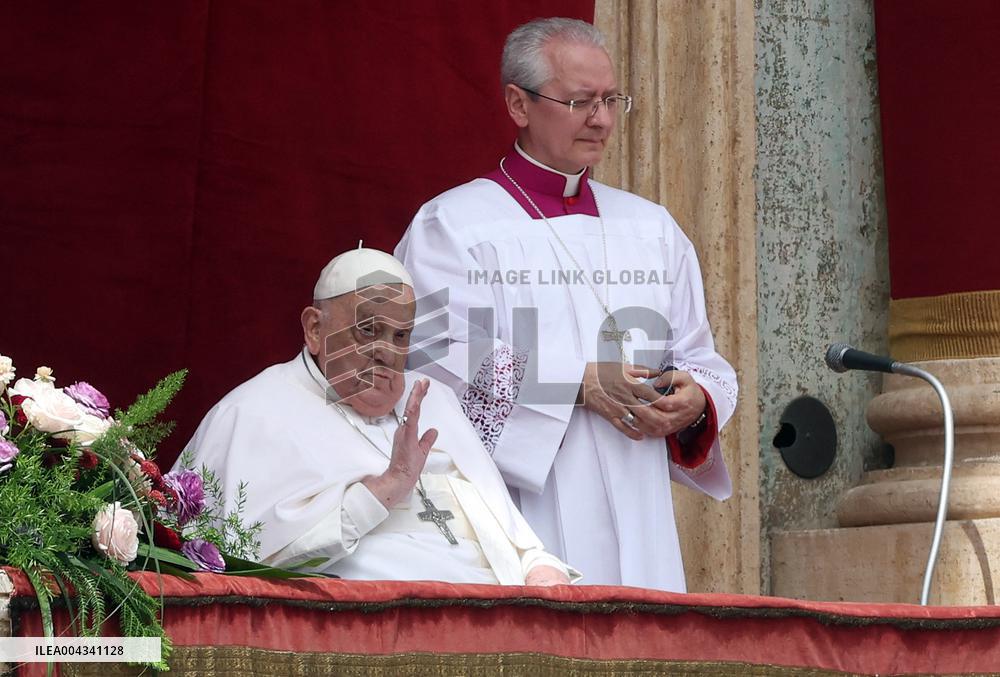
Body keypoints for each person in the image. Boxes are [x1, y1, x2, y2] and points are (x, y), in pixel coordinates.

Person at [395, 17, 738, 591]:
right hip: (524, 507)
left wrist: (695, 401)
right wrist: (576, 382)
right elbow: (434, 358)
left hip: (640, 504)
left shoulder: (651, 228)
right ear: (519, 105)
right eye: (580, 101)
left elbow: (700, 356)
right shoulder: (453, 226)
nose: (601, 120)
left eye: (610, 100)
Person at [179, 247, 575, 586]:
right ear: (315, 330)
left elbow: (498, 515)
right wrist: (386, 487)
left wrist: (537, 564)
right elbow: (249, 564)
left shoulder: (433, 399)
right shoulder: (250, 413)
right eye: (368, 330)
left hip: (492, 609)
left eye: (400, 336)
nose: (386, 351)